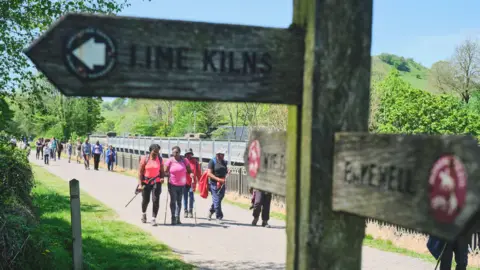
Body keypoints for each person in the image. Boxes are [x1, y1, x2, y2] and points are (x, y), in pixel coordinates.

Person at [164, 146, 194, 225]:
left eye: (176, 152)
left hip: (182, 185)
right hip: (172, 184)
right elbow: (165, 171)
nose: (175, 154)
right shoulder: (170, 161)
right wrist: (168, 175)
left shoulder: (184, 160)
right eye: (173, 152)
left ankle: (178, 217)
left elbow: (189, 170)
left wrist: (191, 174)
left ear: (180, 152)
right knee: (173, 201)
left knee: (179, 201)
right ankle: (173, 217)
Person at [137, 144, 165, 226]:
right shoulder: (144, 159)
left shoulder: (159, 159)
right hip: (146, 182)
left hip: (156, 181)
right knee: (146, 200)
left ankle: (153, 218)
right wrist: (139, 185)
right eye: (155, 151)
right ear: (150, 151)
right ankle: (144, 213)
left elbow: (162, 171)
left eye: (157, 152)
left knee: (155, 200)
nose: (156, 153)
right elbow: (140, 173)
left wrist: (162, 178)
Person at [207, 149, 230, 224]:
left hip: (222, 184)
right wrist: (218, 179)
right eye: (221, 154)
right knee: (216, 200)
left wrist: (228, 171)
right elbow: (209, 174)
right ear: (217, 155)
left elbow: (225, 170)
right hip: (214, 184)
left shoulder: (224, 162)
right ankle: (219, 217)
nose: (223, 156)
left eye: (223, 155)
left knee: (219, 199)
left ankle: (211, 211)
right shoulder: (212, 162)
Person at [183, 148, 201, 219]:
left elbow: (199, 173)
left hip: (192, 182)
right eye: (187, 154)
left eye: (190, 154)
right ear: (185, 154)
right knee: (185, 197)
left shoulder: (195, 162)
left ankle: (190, 210)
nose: (189, 155)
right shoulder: (183, 161)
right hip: (184, 181)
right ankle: (185, 211)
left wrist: (200, 182)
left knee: (191, 196)